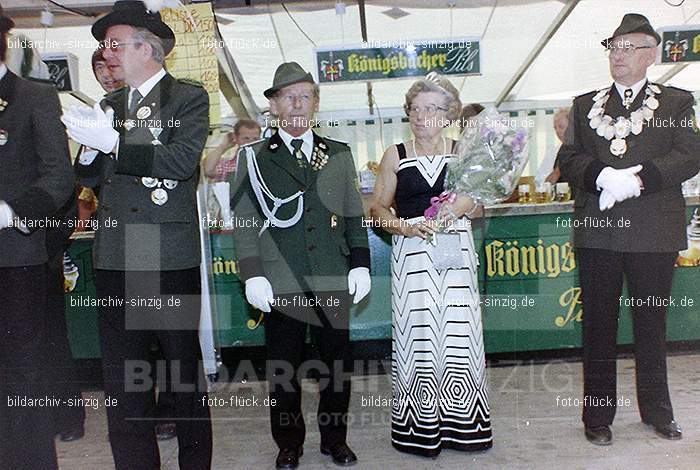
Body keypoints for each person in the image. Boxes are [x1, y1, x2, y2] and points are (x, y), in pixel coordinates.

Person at [63, 1, 212, 468]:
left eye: (114, 43)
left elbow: (179, 163)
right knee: (123, 382)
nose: (107, 54)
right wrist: (88, 152)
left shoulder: (187, 97)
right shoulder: (108, 104)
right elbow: (88, 180)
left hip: (163, 250)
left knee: (180, 375)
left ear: (148, 48)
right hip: (116, 254)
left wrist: (113, 144)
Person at [558, 13, 700, 446]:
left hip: (653, 232)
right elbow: (569, 159)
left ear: (651, 54)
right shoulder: (586, 104)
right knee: (598, 325)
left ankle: (657, 412)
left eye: (628, 47)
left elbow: (690, 155)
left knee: (651, 324)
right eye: (613, 47)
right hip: (599, 232)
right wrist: (603, 176)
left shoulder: (676, 101)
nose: (617, 56)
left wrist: (637, 180)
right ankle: (597, 418)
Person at [231, 61, 371, 469]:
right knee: (284, 371)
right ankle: (288, 443)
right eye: (288, 96)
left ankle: (334, 440)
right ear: (274, 106)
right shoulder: (254, 158)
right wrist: (252, 273)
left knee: (336, 367)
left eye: (305, 95)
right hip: (280, 279)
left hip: (331, 271)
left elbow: (351, 215)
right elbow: (245, 221)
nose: (297, 104)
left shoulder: (339, 154)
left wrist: (360, 263)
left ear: (315, 102)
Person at [370, 73, 492, 457]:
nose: (421, 116)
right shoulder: (396, 154)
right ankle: (418, 430)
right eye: (415, 108)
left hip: (455, 256)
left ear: (449, 113)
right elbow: (376, 209)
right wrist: (402, 226)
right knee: (417, 338)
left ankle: (464, 428)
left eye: (431, 108)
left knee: (459, 337)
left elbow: (483, 205)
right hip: (412, 256)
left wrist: (464, 205)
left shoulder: (465, 151)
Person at [0, 4, 75, 468]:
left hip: (15, 256)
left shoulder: (32, 97)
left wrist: (12, 211)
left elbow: (58, 177)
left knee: (23, 375)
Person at [542, 108, 570, 184]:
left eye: (561, 127)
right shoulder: (556, 151)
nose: (557, 131)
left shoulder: (581, 150)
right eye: (555, 128)